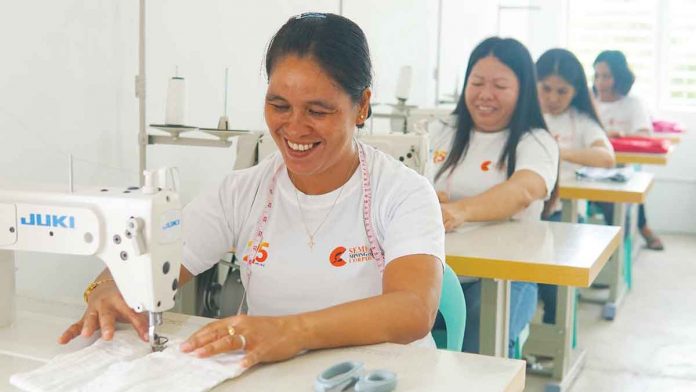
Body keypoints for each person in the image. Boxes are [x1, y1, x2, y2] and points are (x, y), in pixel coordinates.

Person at [59, 12, 445, 369]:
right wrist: (109, 287)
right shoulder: (240, 193)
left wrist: (292, 332)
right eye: (279, 105)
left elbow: (412, 310)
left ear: (361, 106)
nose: (294, 128)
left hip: (384, 378)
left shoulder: (403, 193)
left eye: (317, 111)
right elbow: (152, 265)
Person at [428, 37, 559, 355]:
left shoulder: (537, 141)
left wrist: (459, 210)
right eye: (477, 82)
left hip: (503, 279)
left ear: (522, 90)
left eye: (500, 85)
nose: (485, 95)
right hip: (436, 266)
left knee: (480, 327)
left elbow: (523, 190)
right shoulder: (441, 128)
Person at [535, 48, 615, 324]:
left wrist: (555, 151)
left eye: (562, 91)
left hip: (561, 213)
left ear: (576, 91)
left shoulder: (580, 121)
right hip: (529, 210)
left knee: (552, 275)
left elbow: (606, 158)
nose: (553, 98)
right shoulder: (524, 115)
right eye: (546, 88)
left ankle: (553, 335)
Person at [593, 50, 664, 251]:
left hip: (619, 169)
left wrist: (621, 135)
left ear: (619, 77)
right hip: (590, 168)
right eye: (597, 76)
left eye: (606, 76)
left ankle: (615, 254)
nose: (600, 82)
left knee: (620, 190)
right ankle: (637, 232)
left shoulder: (633, 104)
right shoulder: (590, 101)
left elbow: (644, 135)